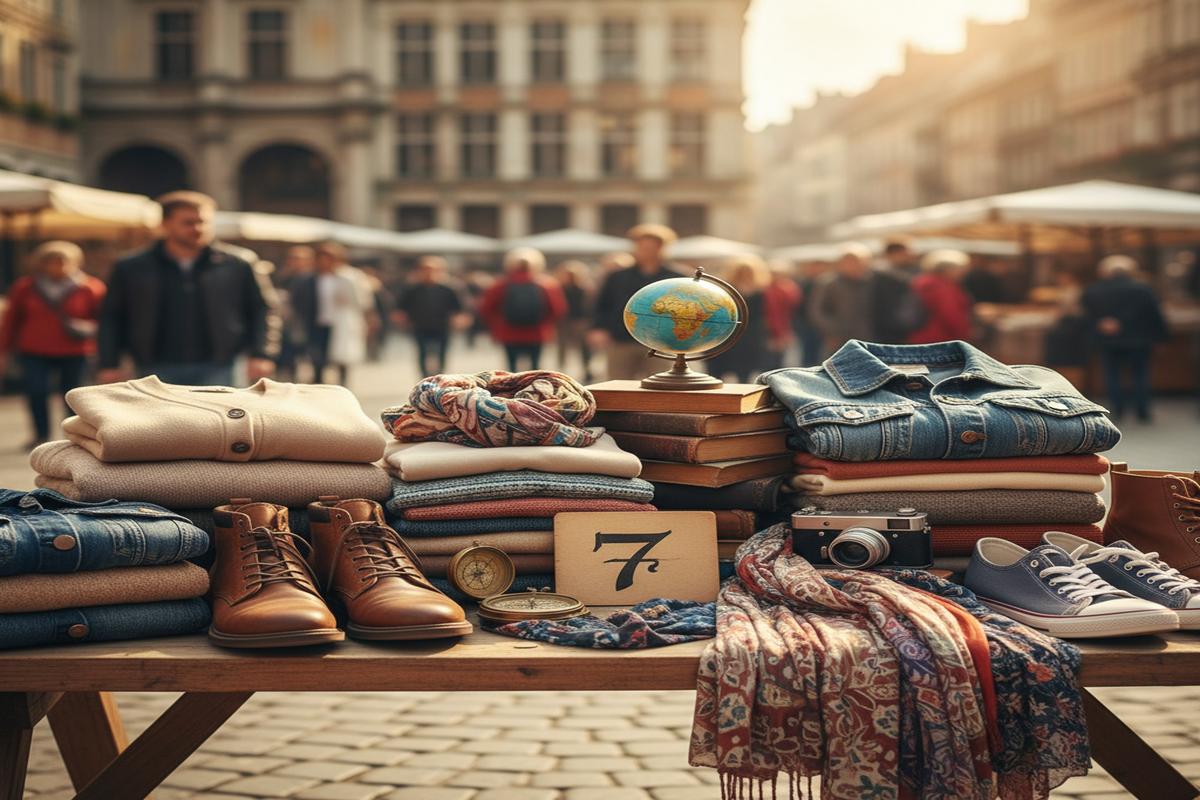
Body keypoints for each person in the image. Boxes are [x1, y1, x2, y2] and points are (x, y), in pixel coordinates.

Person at [97, 191, 279, 386]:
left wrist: (262, 353)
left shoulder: (238, 263)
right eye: (188, 222)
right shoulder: (132, 267)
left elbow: (263, 308)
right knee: (163, 418)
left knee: (219, 416)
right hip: (155, 366)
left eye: (203, 222)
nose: (198, 228)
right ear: (165, 224)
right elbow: (112, 316)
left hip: (220, 363)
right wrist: (109, 362)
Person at [0, 242, 106, 448]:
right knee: (36, 390)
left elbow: (105, 320)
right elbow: (11, 321)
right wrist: (3, 351)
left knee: (75, 395)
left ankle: (77, 436)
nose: (58, 267)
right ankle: (41, 434)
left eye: (63, 262)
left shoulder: (90, 287)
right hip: (34, 349)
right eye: (51, 262)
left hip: (75, 350)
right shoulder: (25, 287)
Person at [1082, 255, 1169, 422]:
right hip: (1139, 340)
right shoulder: (1143, 289)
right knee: (1140, 375)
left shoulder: (1093, 290)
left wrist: (1102, 324)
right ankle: (1142, 412)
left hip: (1108, 340)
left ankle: (1118, 411)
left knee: (1112, 375)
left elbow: (1086, 316)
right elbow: (1154, 315)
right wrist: (1161, 338)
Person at [589, 224, 681, 380]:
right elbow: (602, 304)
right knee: (618, 385)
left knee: (661, 386)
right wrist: (598, 328)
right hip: (621, 339)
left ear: (663, 248)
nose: (647, 251)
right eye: (643, 246)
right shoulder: (617, 276)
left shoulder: (677, 276)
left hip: (662, 342)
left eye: (653, 247)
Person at [290, 242, 375, 386]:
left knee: (342, 357)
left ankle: (342, 386)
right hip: (317, 323)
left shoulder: (348, 277)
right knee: (318, 358)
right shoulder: (309, 279)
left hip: (341, 324)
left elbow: (363, 300)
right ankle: (319, 384)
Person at [480, 247, 566, 372]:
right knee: (535, 367)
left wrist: (498, 324)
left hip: (508, 332)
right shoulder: (547, 284)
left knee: (511, 368)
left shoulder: (500, 285)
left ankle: (512, 390)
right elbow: (558, 309)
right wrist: (546, 324)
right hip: (537, 332)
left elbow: (486, 309)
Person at [397, 256, 465, 376]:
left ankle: (440, 376)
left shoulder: (448, 288)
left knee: (442, 353)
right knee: (422, 353)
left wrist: (459, 319)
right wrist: (402, 319)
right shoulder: (412, 289)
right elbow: (401, 307)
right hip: (420, 325)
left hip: (442, 325)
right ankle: (424, 378)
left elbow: (458, 308)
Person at [708, 254, 772, 383]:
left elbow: (766, 312)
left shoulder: (761, 290)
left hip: (751, 333)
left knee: (746, 367)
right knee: (720, 366)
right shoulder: (727, 289)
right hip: (729, 330)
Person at [808, 243, 876, 355]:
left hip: (870, 338)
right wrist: (832, 332)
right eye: (848, 261)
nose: (852, 265)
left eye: (856, 261)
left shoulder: (874, 282)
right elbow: (817, 311)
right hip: (839, 340)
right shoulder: (828, 283)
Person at [908, 249, 974, 344]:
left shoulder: (923, 281)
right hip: (940, 337)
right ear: (948, 269)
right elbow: (950, 314)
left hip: (922, 334)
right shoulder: (941, 286)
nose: (963, 273)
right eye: (961, 269)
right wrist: (964, 334)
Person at [274, 245, 315, 382]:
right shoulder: (284, 276)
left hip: (304, 322)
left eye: (298, 258)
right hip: (285, 322)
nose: (294, 261)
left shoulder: (312, 278)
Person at [555, 260, 595, 381]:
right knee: (563, 347)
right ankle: (561, 370)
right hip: (565, 321)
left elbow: (590, 306)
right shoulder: (560, 288)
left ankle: (587, 369)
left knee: (584, 348)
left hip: (580, 321)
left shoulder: (585, 288)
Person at [763, 259, 802, 370]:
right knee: (770, 360)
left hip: (785, 326)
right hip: (770, 328)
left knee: (780, 360)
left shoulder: (788, 288)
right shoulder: (767, 289)